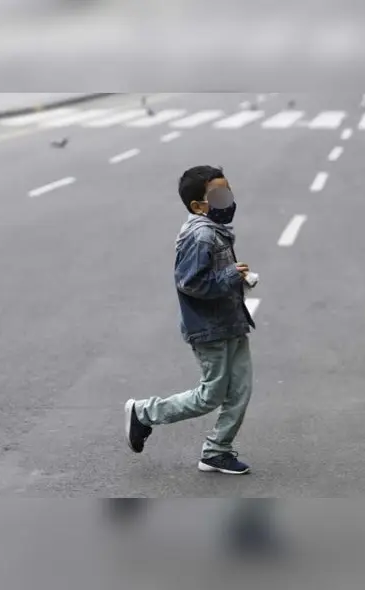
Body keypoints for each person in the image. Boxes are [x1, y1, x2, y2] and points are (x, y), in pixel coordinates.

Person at [124, 165, 257, 475]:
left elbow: (215, 275)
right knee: (209, 396)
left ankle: (216, 451)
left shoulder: (213, 229)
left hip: (231, 322)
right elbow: (189, 282)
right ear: (198, 205)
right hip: (209, 329)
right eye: (219, 195)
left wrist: (238, 278)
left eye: (228, 192)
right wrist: (227, 276)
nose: (228, 200)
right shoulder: (200, 235)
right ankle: (144, 413)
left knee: (240, 391)